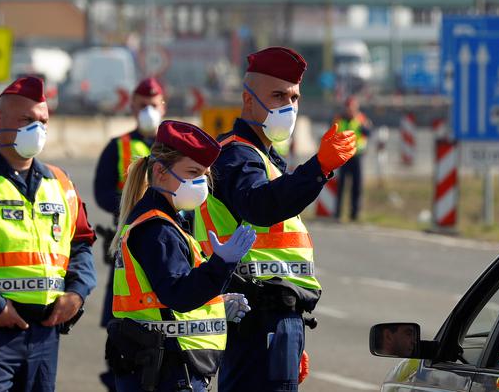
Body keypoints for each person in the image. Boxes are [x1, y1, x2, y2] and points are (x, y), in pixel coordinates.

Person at [192, 46, 357, 391]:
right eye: (278, 95)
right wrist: (319, 167)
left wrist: (290, 331)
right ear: (248, 100)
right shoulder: (237, 155)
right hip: (255, 315)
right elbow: (260, 207)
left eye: (295, 97)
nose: (289, 106)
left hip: (276, 318)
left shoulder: (262, 157)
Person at [0, 76, 97, 392]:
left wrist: (77, 292)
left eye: (42, 121)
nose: (36, 129)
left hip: (46, 334)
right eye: (26, 120)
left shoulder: (61, 183)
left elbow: (80, 244)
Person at [106, 120, 256, 392]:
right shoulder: (157, 229)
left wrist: (216, 305)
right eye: (193, 172)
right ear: (161, 173)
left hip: (164, 365)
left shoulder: (163, 222)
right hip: (166, 372)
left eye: (204, 174)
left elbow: (163, 298)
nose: (201, 182)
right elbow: (179, 294)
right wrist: (221, 265)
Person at [93, 77, 167, 390]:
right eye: (142, 105)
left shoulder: (174, 147)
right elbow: (101, 192)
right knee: (122, 329)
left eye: (154, 105)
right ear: (132, 106)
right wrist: (136, 209)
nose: (148, 110)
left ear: (163, 106)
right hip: (127, 246)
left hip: (167, 245)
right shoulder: (118, 146)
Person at [334, 95, 371, 222]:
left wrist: (364, 126)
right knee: (340, 186)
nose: (350, 110)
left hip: (357, 156)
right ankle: (337, 213)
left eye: (352, 107)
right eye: (348, 107)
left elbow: (368, 133)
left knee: (356, 186)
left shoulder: (361, 119)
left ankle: (354, 214)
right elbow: (334, 134)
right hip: (343, 157)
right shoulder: (339, 119)